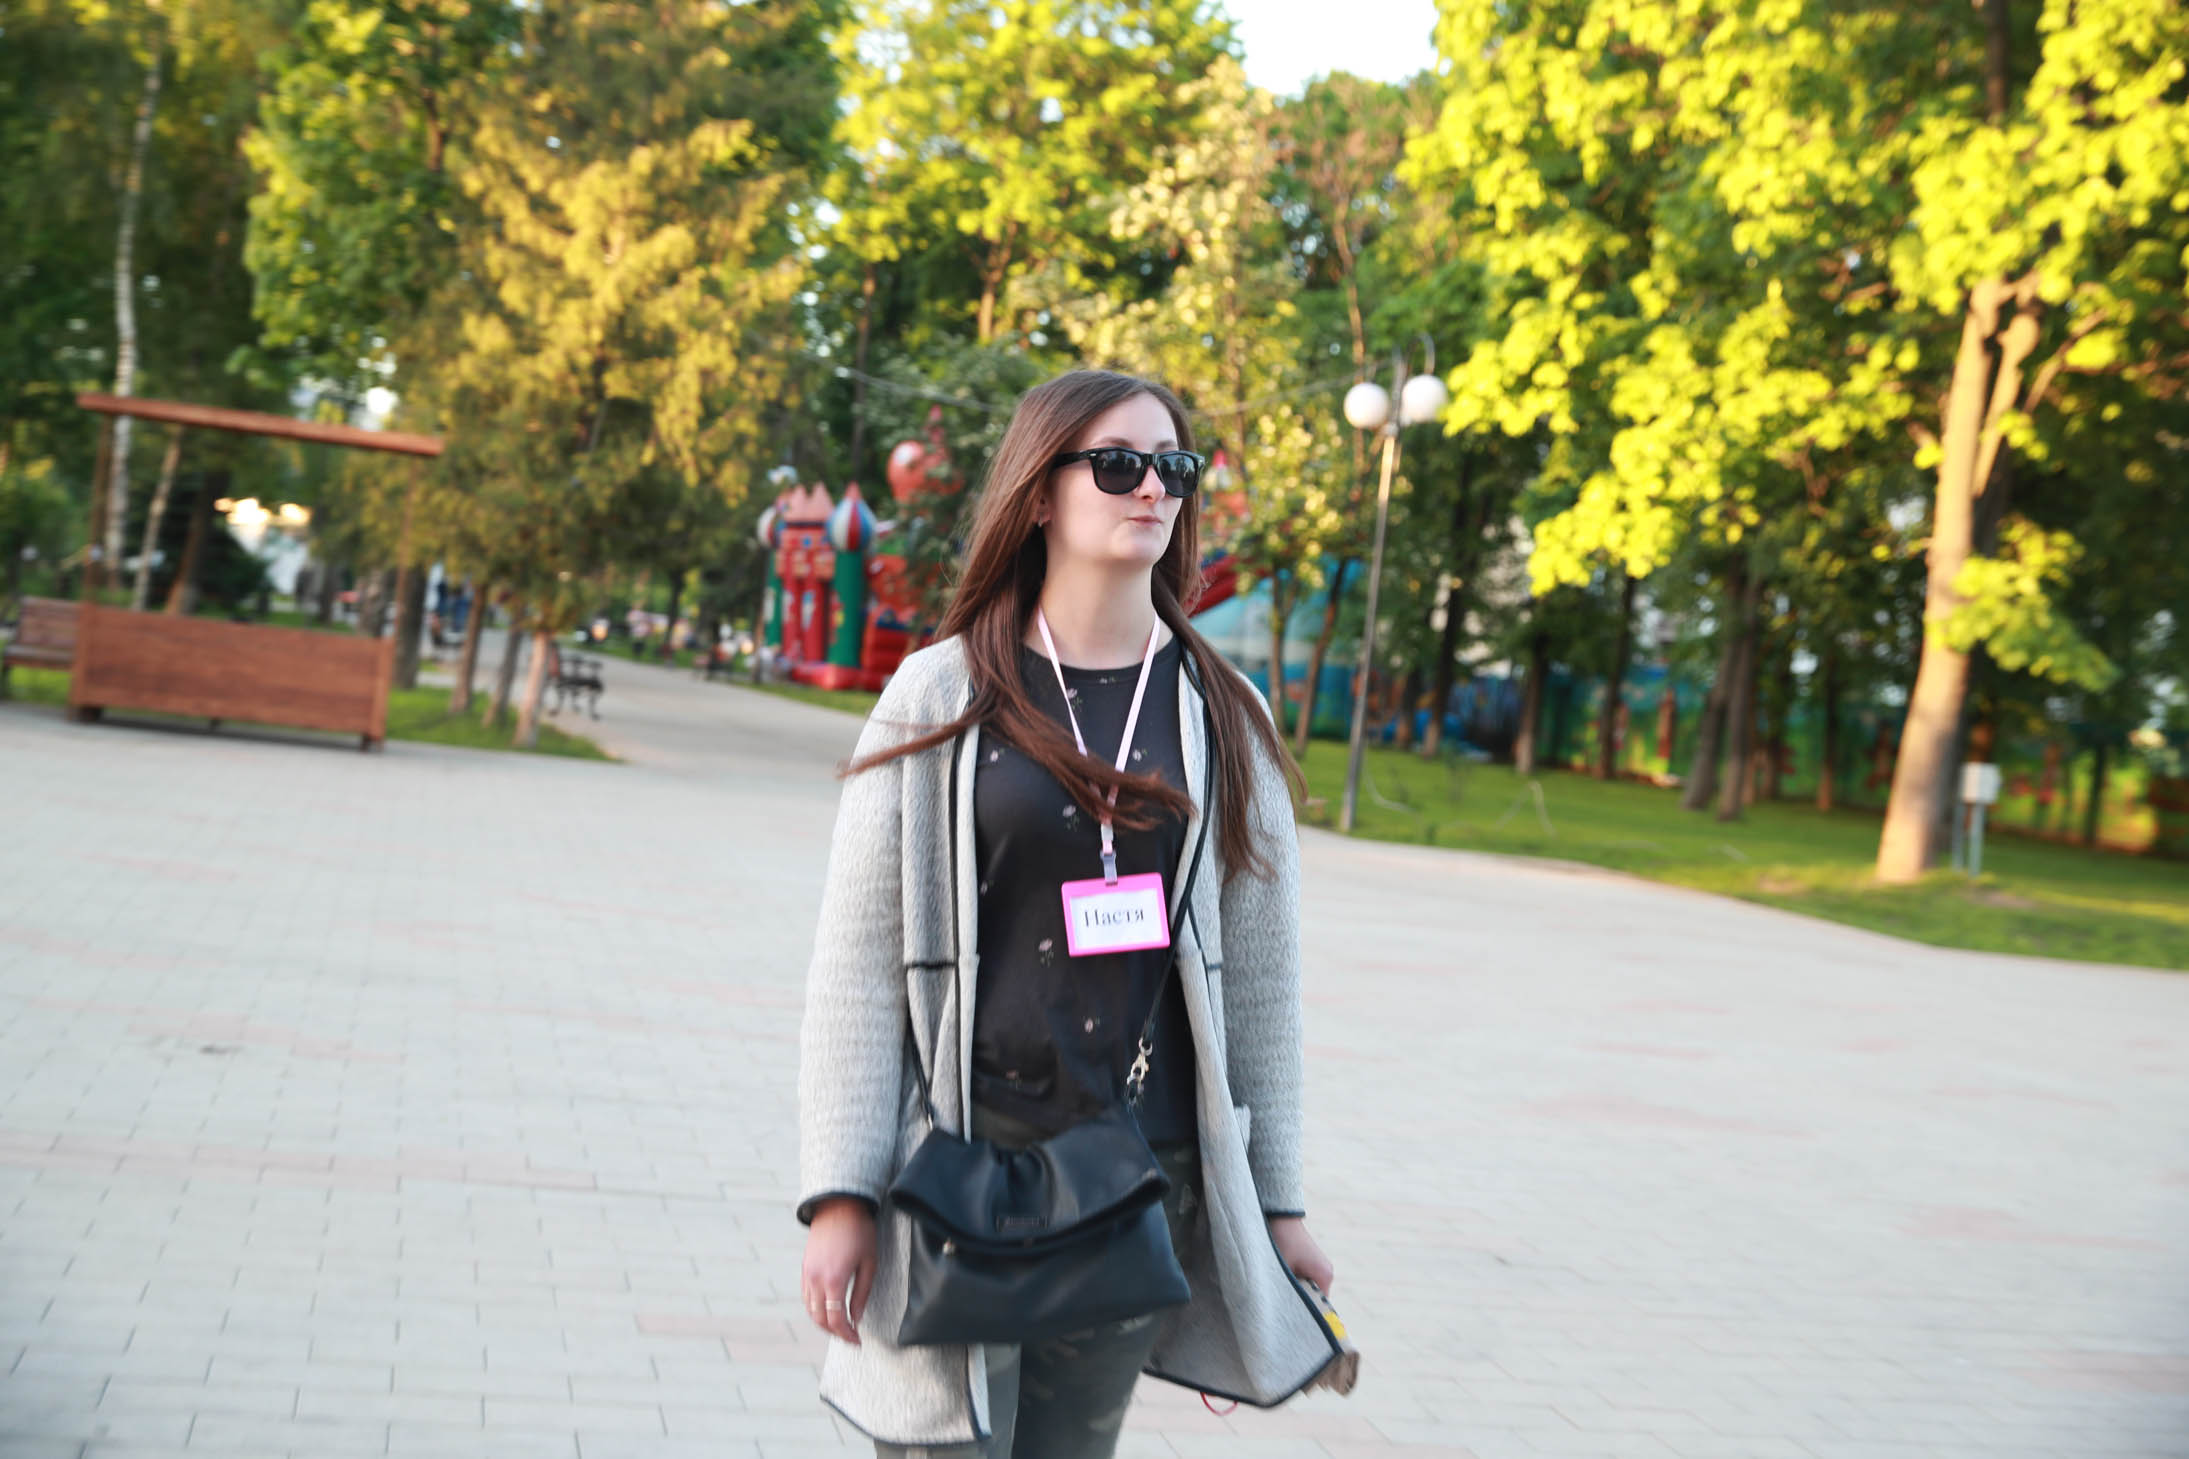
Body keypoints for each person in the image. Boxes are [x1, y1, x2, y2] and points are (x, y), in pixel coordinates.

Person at [797, 370, 1341, 1457]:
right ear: (1039, 492)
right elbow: (855, 967)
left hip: (1136, 1174)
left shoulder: (1222, 713)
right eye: (1118, 464)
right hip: (958, 1163)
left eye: (1173, 467)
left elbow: (1262, 986)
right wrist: (840, 1194)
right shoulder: (940, 692)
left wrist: (1277, 1205)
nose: (1152, 489)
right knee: (935, 1443)